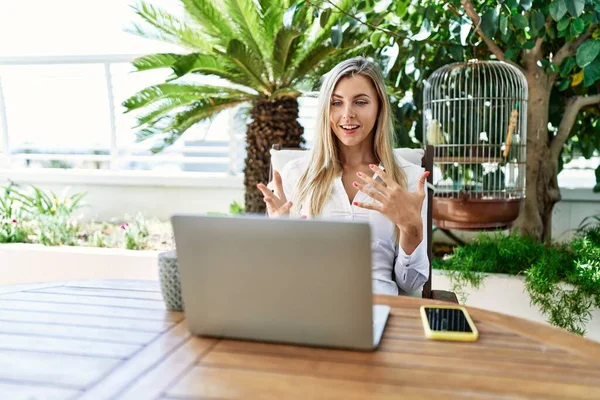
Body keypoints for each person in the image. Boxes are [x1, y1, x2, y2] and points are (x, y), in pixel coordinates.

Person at [256, 57, 429, 296]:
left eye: (360, 102)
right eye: (336, 103)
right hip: (310, 309)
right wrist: (276, 239)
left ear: (379, 107)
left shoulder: (409, 179)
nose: (347, 114)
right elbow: (276, 275)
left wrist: (412, 230)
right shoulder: (296, 175)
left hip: (378, 309)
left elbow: (411, 283)